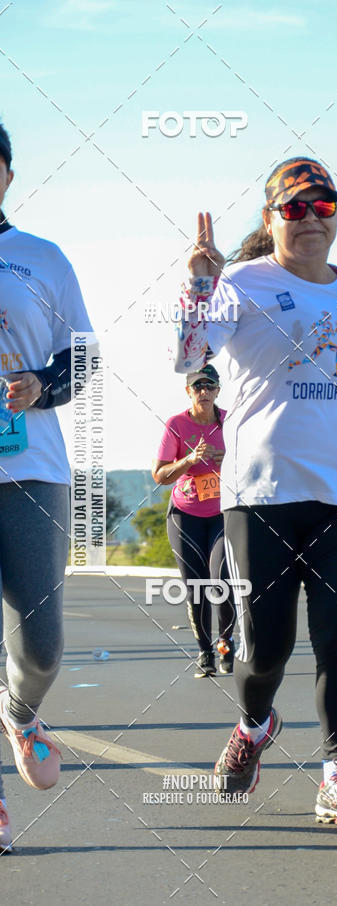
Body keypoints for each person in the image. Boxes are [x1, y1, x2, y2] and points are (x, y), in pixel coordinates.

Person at [173, 157, 337, 825]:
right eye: (295, 208)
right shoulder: (242, 282)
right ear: (273, 217)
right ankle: (253, 724)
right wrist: (198, 281)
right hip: (261, 490)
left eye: (324, 206)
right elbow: (191, 356)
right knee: (266, 649)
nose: (311, 219)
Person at [0, 122, 94, 852]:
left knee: (43, 646)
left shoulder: (41, 258)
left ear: (6, 173)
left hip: (31, 468)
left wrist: (42, 384)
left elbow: (85, 361)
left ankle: (20, 709)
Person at [152, 364, 236, 676]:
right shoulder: (177, 424)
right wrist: (189, 460)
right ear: (188, 391)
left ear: (218, 390)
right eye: (198, 387)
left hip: (223, 514)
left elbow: (257, 463)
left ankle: (226, 646)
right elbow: (160, 475)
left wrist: (228, 460)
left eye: (209, 386)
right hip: (185, 515)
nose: (204, 392)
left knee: (222, 581)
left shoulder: (231, 421)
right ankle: (205, 653)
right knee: (197, 587)